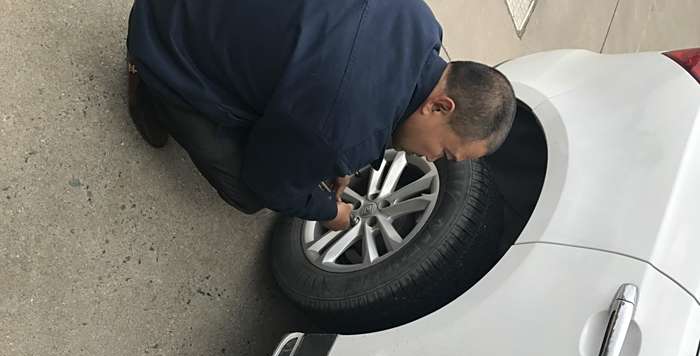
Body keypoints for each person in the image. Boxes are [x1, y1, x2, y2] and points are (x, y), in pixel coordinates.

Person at [126, 0, 516, 231]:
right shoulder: (343, 130)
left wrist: (338, 150)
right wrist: (328, 211)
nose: (428, 159)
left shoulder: (420, 20)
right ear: (439, 106)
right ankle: (154, 85)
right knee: (249, 194)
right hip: (166, 36)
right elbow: (269, 182)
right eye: (444, 152)